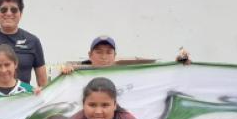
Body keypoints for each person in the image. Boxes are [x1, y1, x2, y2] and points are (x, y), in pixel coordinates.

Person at [61, 36, 191, 74]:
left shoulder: (127, 72)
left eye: (108, 52)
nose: (104, 56)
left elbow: (158, 73)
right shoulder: (77, 73)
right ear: (90, 55)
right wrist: (66, 73)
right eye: (99, 52)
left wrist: (177, 64)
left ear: (115, 55)